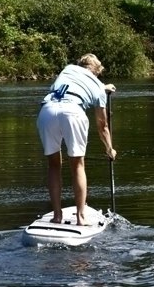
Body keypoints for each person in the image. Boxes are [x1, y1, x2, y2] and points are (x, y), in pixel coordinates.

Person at [37, 54, 117, 226]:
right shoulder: (97, 85)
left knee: (53, 164)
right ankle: (81, 217)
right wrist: (109, 148)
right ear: (96, 72)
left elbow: (79, 83)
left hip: (47, 110)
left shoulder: (68, 69)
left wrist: (102, 87)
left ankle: (57, 216)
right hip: (73, 112)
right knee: (77, 164)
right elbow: (102, 126)